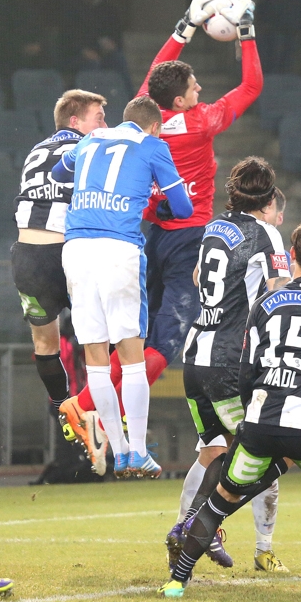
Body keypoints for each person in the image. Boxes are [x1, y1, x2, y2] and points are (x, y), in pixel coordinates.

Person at [61, 0, 263, 444]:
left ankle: (83, 405)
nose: (201, 89)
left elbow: (153, 79)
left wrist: (184, 29)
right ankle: (107, 411)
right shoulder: (204, 121)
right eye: (194, 87)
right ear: (180, 102)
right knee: (166, 340)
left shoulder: (145, 123)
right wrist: (246, 33)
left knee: (134, 333)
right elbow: (251, 87)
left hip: (148, 235)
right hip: (189, 238)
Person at [158, 218, 301, 600]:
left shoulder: (263, 303)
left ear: (292, 255)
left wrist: (254, 411)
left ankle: (177, 582)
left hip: (259, 421)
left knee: (222, 498)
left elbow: (246, 373)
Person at [51, 95, 193, 478]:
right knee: (131, 356)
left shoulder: (89, 140)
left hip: (76, 249)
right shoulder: (153, 146)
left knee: (95, 359)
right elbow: (183, 207)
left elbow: (58, 176)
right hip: (119, 249)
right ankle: (139, 452)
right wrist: (156, 202)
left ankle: (118, 450)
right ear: (155, 126)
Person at [165, 162, 291, 572]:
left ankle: (186, 529)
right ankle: (198, 530)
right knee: (256, 449)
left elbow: (200, 274)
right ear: (270, 200)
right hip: (229, 362)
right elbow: (280, 292)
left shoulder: (215, 229)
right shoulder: (266, 233)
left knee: (213, 450)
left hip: (195, 355)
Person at [11, 89, 109, 475]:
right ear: (76, 122)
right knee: (107, 337)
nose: (103, 124)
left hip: (27, 256)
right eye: (99, 116)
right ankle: (98, 413)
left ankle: (66, 412)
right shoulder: (88, 147)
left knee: (44, 344)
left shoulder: (36, 150)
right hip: (69, 255)